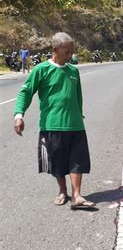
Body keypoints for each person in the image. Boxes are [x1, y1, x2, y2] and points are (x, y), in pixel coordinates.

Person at [13, 32, 95, 209]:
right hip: (52, 125)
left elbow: (77, 97)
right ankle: (62, 190)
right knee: (57, 162)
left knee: (77, 161)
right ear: (55, 50)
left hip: (75, 125)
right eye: (67, 52)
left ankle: (77, 195)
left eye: (72, 52)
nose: (70, 56)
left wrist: (79, 115)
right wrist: (19, 114)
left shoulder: (73, 71)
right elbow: (25, 92)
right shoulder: (41, 70)